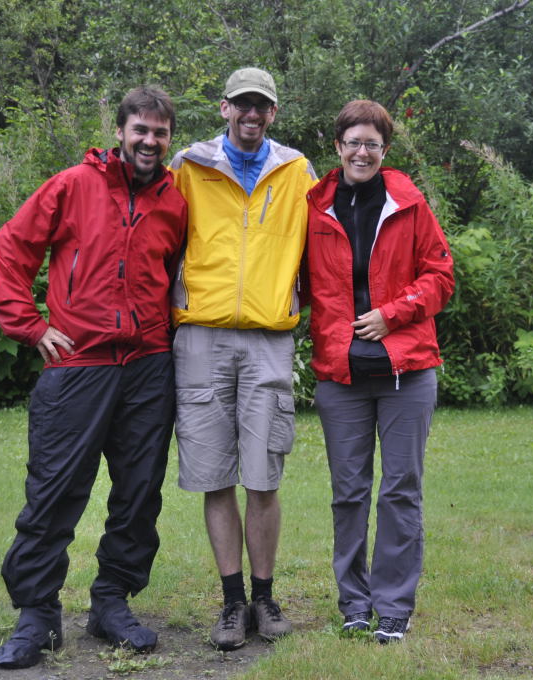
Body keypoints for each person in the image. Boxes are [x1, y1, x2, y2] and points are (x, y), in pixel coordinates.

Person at [0, 86, 187, 668]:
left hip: (148, 366)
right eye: (140, 131)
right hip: (77, 363)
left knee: (139, 494)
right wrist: (29, 325)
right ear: (121, 132)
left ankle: (110, 603)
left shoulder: (174, 202)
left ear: (169, 139)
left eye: (160, 133)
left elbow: (173, 274)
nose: (149, 141)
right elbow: (10, 248)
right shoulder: (74, 185)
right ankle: (37, 615)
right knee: (53, 493)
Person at [168, 67, 317, 651]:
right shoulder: (190, 167)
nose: (253, 114)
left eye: (264, 106)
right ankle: (231, 602)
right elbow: (159, 238)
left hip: (269, 337)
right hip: (200, 337)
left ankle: (264, 596)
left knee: (263, 474)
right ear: (224, 108)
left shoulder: (298, 171)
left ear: (273, 114)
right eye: (243, 105)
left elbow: (324, 247)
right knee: (214, 475)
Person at [305, 100, 454, 644]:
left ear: (384, 151)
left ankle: (392, 606)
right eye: (353, 142)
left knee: (400, 491)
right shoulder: (313, 206)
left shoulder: (410, 205)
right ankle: (354, 601)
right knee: (348, 493)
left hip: (406, 372)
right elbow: (293, 279)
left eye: (372, 143)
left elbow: (441, 276)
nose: (362, 151)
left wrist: (392, 314)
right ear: (338, 146)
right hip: (339, 375)